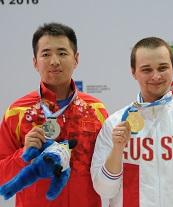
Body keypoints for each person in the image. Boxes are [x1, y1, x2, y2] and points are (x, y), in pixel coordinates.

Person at [91, 37, 173, 207]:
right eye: (146, 70)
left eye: (163, 67)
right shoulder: (114, 124)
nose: (156, 76)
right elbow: (105, 190)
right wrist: (117, 149)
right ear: (133, 72)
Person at [0, 23, 108, 207]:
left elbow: (107, 169)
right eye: (46, 54)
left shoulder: (96, 109)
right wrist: (23, 154)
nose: (54, 61)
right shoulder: (17, 112)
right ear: (35, 62)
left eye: (62, 53)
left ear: (76, 59)